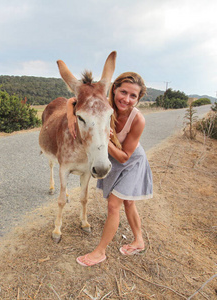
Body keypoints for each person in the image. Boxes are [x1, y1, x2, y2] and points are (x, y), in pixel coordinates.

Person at [66, 72, 153, 267]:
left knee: (114, 205)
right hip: (115, 160)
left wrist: (105, 139)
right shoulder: (105, 104)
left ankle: (100, 252)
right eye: (123, 92)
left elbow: (125, 156)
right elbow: (72, 100)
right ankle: (139, 240)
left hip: (131, 162)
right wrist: (70, 117)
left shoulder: (137, 120)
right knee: (128, 202)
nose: (126, 99)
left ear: (138, 99)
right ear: (114, 89)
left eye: (133, 96)